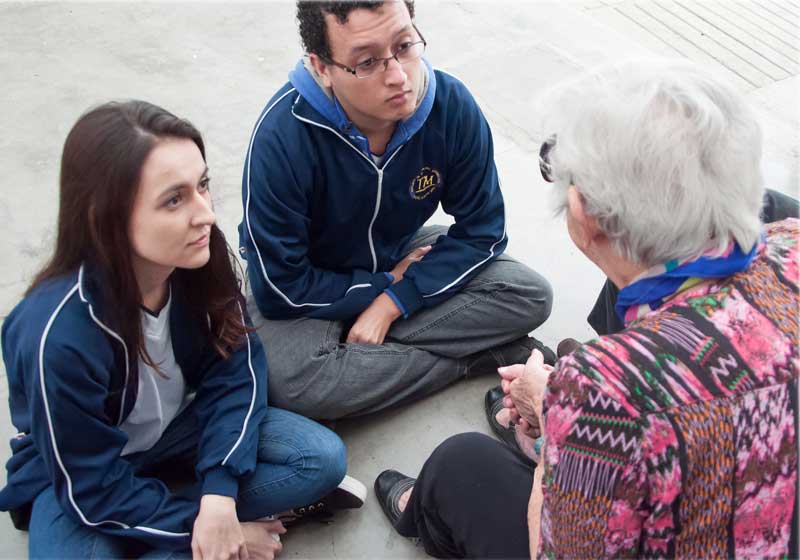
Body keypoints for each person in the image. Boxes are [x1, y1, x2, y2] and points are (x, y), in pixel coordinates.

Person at [374, 59, 799, 558]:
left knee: (458, 465)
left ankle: (424, 512)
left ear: (584, 213)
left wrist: (560, 424)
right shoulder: (789, 239)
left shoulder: (601, 392)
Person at [0, 100, 366, 560]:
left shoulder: (195, 254)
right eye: (174, 199)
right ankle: (219, 536)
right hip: (79, 477)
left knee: (319, 459)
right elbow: (88, 487)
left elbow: (237, 369)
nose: (205, 214)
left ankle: (189, 533)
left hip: (178, 429)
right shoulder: (53, 336)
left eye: (203, 185)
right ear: (105, 216)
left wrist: (219, 493)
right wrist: (209, 529)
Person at [239, 0, 554, 420]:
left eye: (405, 45)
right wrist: (385, 283)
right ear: (321, 67)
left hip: (402, 253)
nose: (399, 76)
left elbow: (484, 231)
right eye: (367, 62)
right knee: (294, 381)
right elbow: (279, 289)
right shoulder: (282, 137)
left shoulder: (451, 106)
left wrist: (393, 301)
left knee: (528, 294)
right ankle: (477, 357)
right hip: (312, 290)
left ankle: (374, 359)